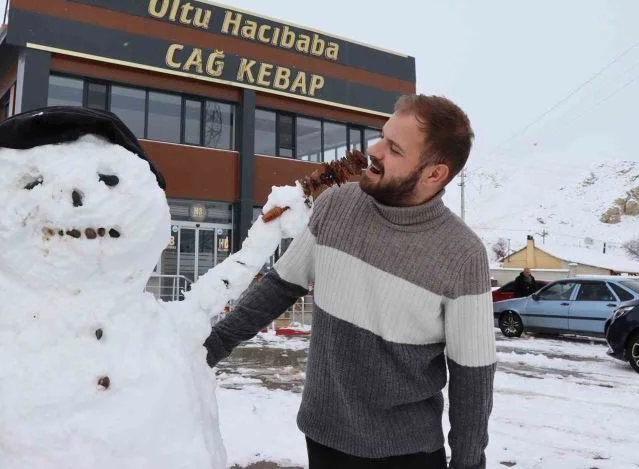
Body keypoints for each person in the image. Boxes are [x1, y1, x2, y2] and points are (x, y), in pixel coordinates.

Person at [204, 95, 496, 469]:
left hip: (408, 453)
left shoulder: (462, 254)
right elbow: (281, 285)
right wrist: (210, 347)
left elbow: (472, 375)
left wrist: (468, 464)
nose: (373, 151)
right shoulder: (336, 205)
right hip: (324, 435)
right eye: (382, 137)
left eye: (394, 148)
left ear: (434, 174)